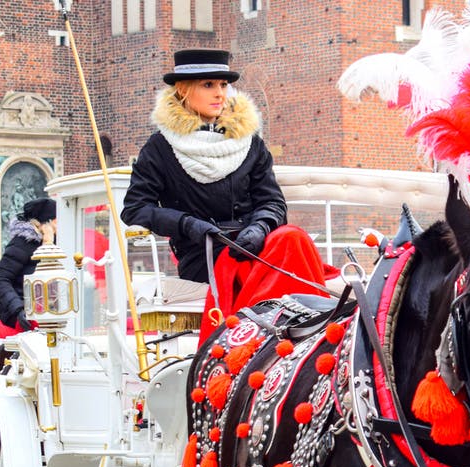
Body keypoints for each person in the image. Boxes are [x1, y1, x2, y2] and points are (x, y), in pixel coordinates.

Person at [121, 49, 328, 340]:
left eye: (222, 85)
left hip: (253, 242)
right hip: (204, 250)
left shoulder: (249, 143)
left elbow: (271, 201)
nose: (219, 93)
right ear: (183, 91)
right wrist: (186, 224)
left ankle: (300, 331)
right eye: (208, 85)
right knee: (284, 246)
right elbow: (134, 208)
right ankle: (264, 338)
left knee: (291, 237)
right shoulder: (160, 147)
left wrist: (261, 226)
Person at [0, 197, 54, 339]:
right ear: (46, 223)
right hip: (20, 314)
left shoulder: (60, 242)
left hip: (48, 310)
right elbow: (1, 279)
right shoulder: (22, 243)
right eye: (56, 220)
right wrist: (19, 309)